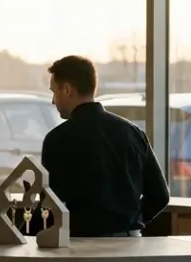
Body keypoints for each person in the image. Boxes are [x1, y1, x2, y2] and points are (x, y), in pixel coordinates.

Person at [42, 55, 170, 237]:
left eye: (54, 92)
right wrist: (131, 220)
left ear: (68, 89)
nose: (53, 101)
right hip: (130, 241)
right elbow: (160, 196)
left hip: (80, 241)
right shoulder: (133, 133)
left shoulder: (57, 139)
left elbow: (51, 203)